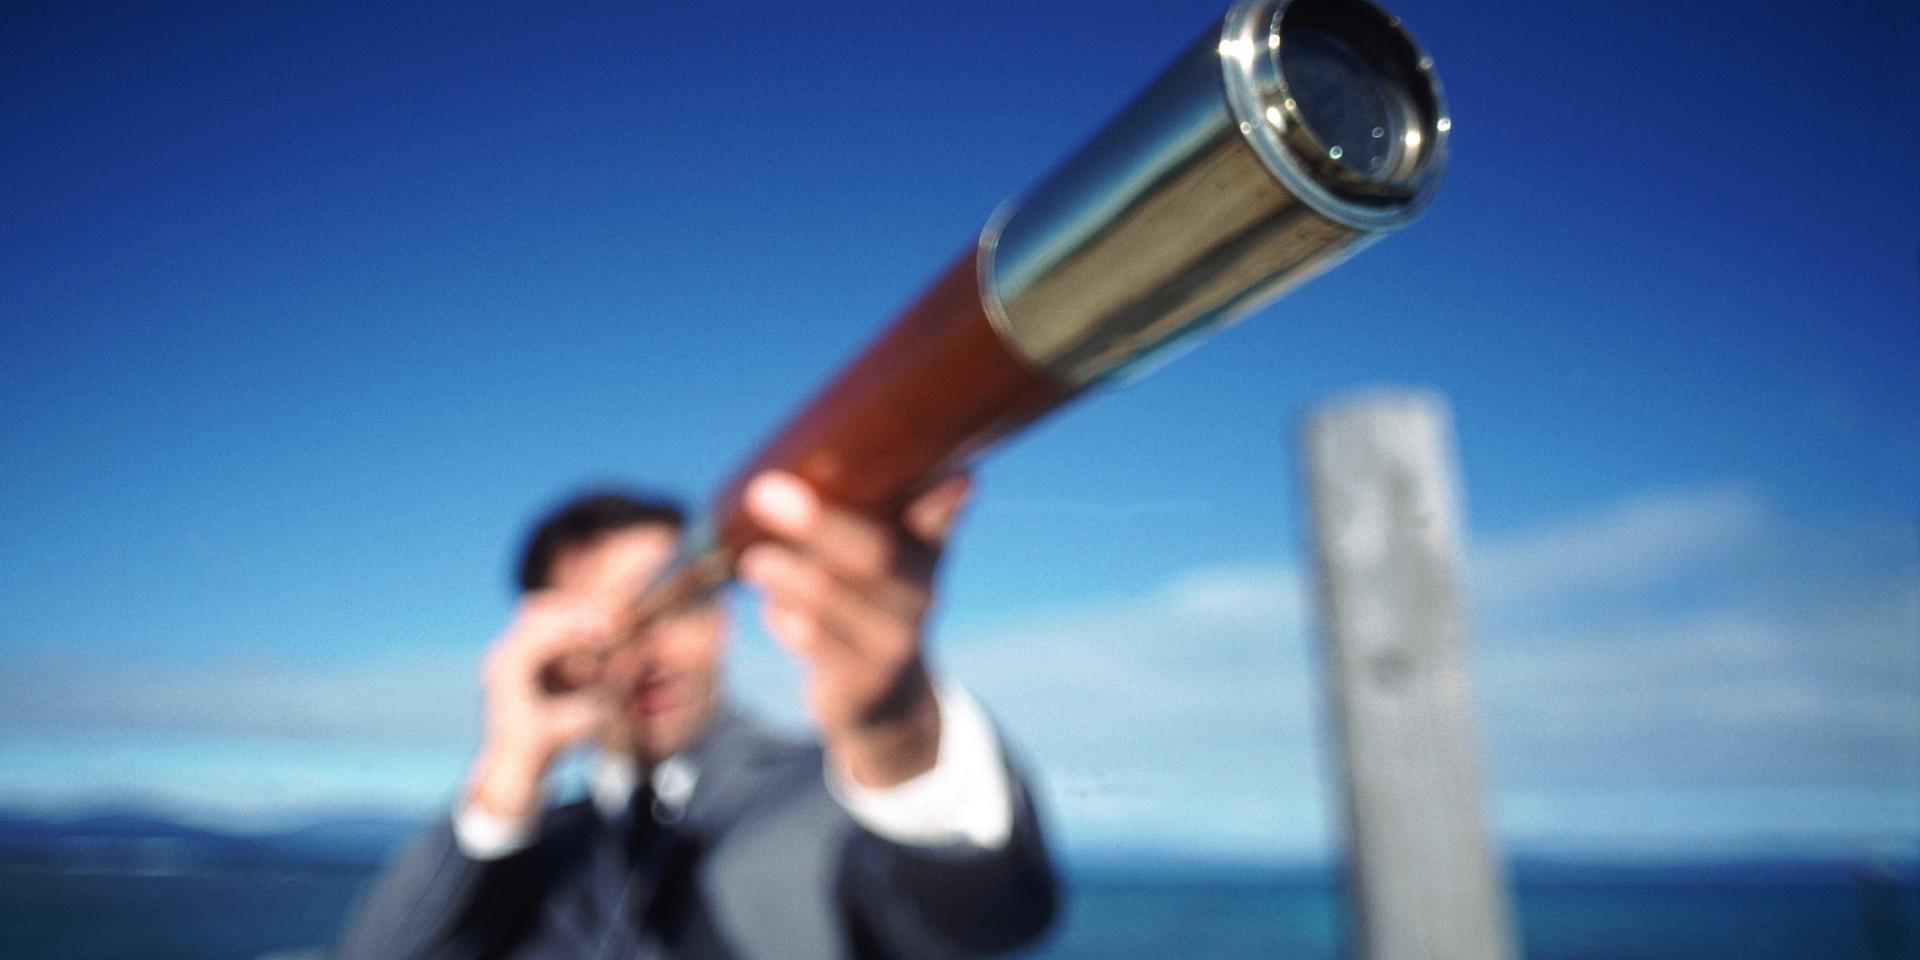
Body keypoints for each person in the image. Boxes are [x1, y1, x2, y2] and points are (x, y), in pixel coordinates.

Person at [335, 470, 1057, 960]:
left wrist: (896, 732)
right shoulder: (533, 845)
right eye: (604, 627)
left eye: (678, 606)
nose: (652, 654)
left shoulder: (826, 795)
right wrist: (507, 771)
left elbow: (988, 916)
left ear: (724, 623)